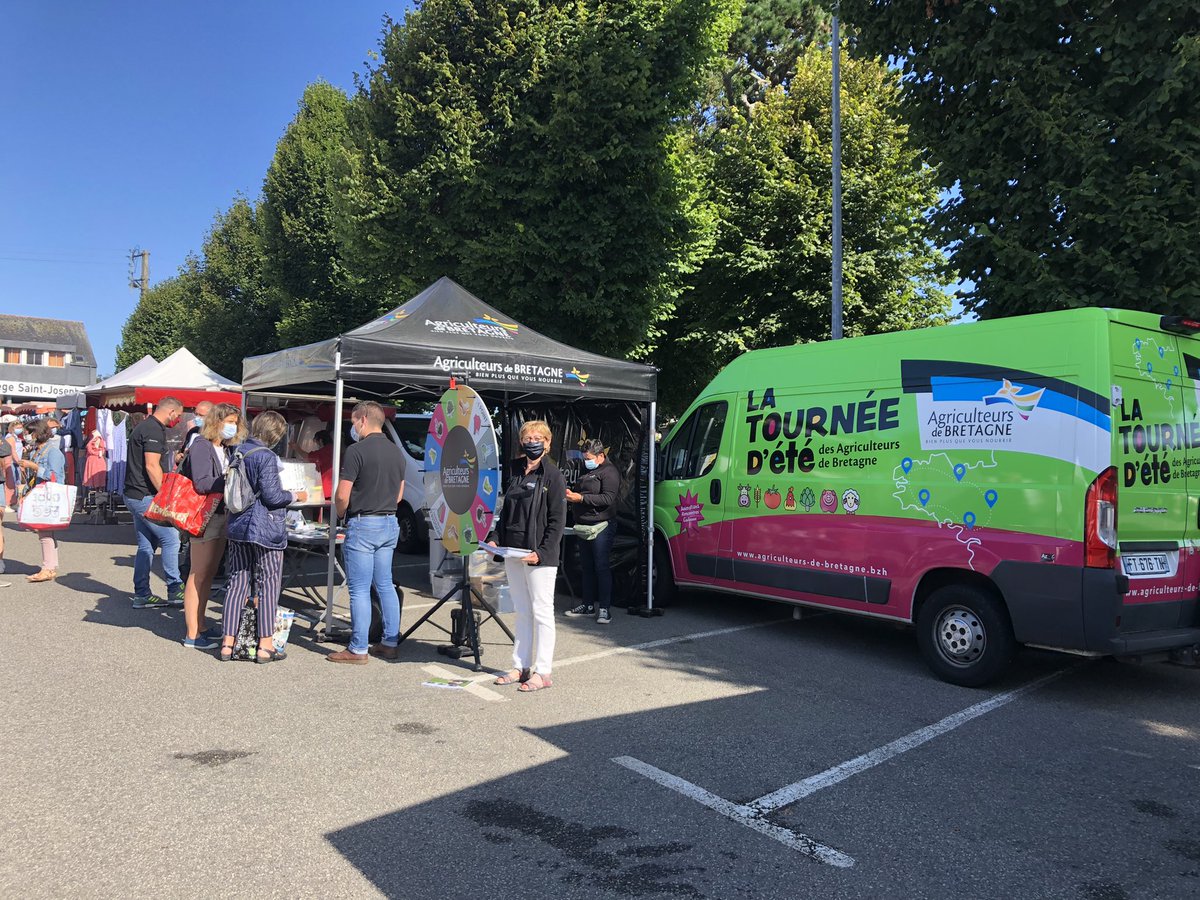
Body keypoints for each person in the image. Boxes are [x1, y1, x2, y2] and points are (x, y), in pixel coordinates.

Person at [220, 411, 305, 663]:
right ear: (276, 435)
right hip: (265, 527)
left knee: (237, 582)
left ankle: (227, 643)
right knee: (268, 583)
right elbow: (272, 496)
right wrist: (294, 496)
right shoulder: (266, 456)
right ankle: (265, 644)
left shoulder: (238, 450)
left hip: (238, 524)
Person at [326, 402, 406, 665]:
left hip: (363, 523)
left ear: (363, 420)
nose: (353, 427)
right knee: (385, 584)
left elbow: (342, 494)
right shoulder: (397, 452)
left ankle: (358, 648)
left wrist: (340, 514)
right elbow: (400, 494)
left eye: (353, 422)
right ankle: (389, 642)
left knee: (359, 589)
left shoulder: (356, 451)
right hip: (389, 521)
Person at [491, 420, 566, 692]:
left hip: (539, 555)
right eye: (527, 437)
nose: (532, 441)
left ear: (547, 443)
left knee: (542, 612)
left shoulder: (553, 475)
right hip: (513, 550)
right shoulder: (513, 471)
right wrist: (496, 539)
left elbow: (557, 520)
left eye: (538, 437)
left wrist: (542, 552)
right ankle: (520, 666)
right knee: (522, 611)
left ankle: (543, 671)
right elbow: (505, 511)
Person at [179, 403, 245, 650]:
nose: (233, 426)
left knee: (208, 574)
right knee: (198, 573)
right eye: (229, 421)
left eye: (235, 422)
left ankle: (201, 623)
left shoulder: (225, 449)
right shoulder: (201, 446)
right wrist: (230, 479)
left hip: (221, 514)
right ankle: (192, 633)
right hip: (204, 515)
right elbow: (203, 482)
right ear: (216, 421)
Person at [124, 397, 185, 609]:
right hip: (144, 495)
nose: (177, 420)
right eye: (178, 415)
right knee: (171, 539)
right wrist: (165, 497)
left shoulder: (144, 426)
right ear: (170, 411)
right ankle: (175, 589)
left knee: (146, 545)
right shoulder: (153, 430)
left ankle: (142, 594)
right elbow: (151, 466)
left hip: (134, 494)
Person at [565, 439, 621, 624]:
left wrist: (581, 498)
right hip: (584, 525)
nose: (585, 461)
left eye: (588, 458)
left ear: (600, 456)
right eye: (584, 458)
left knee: (601, 566)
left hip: (602, 526)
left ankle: (604, 608)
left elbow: (607, 498)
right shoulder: (587, 471)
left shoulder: (610, 472)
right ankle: (588, 605)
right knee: (587, 567)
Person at [15, 420, 68, 583]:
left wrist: (35, 467)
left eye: (29, 432)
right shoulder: (35, 451)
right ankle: (50, 566)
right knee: (45, 532)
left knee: (44, 532)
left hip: (48, 496)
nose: (27, 435)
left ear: (37, 433)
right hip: (38, 495)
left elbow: (56, 477)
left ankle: (48, 568)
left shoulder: (53, 452)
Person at [177, 401, 213, 465]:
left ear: (212, 417)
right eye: (196, 414)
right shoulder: (192, 432)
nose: (197, 418)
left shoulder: (214, 436)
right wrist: (179, 458)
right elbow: (183, 451)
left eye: (201, 415)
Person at [304, 429, 335, 503]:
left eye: (316, 442)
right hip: (335, 489)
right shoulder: (335, 449)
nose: (316, 445)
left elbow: (309, 456)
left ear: (320, 441)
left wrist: (296, 448)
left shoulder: (324, 451)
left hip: (325, 490)